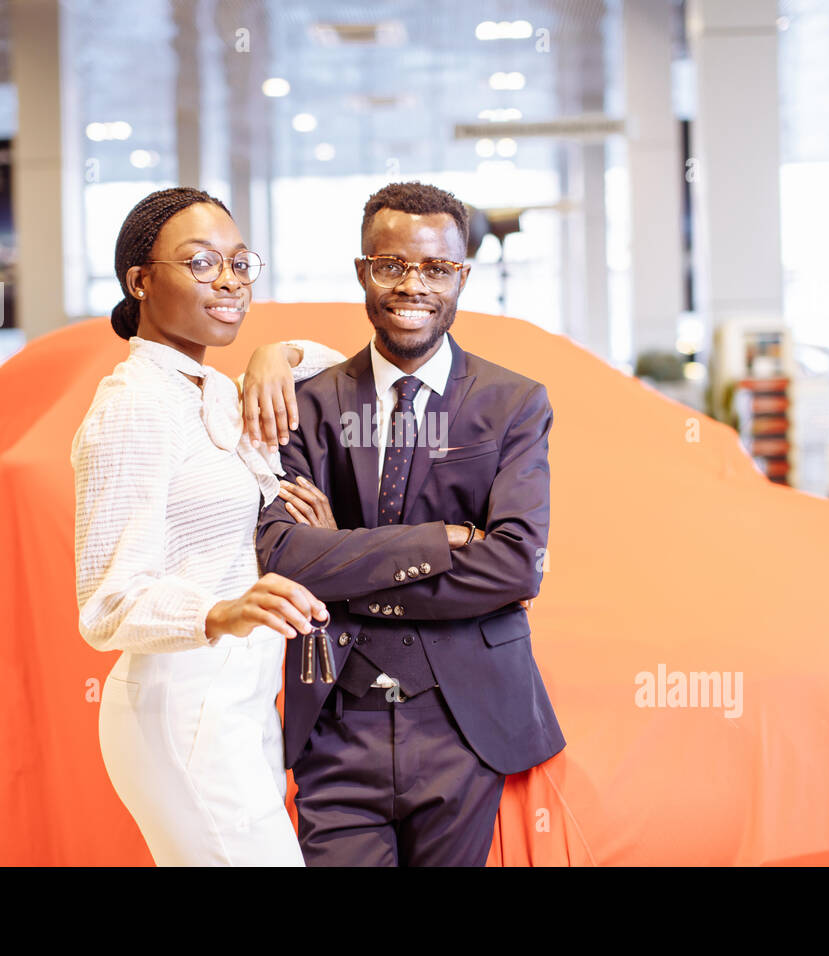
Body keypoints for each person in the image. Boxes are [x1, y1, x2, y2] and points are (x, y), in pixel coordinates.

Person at [256, 181, 566, 866]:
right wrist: (441, 542)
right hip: (337, 720)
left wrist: (339, 555)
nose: (412, 285)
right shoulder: (307, 405)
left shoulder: (513, 404)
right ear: (363, 270)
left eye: (435, 268)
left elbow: (516, 565)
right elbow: (279, 553)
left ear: (462, 275)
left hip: (464, 724)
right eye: (391, 265)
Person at [70, 187, 344, 866]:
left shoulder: (215, 391)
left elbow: (352, 378)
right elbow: (106, 606)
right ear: (140, 281)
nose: (227, 280)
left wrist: (275, 354)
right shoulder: (132, 409)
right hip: (178, 705)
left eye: (239, 263)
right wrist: (222, 609)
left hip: (242, 699)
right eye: (199, 263)